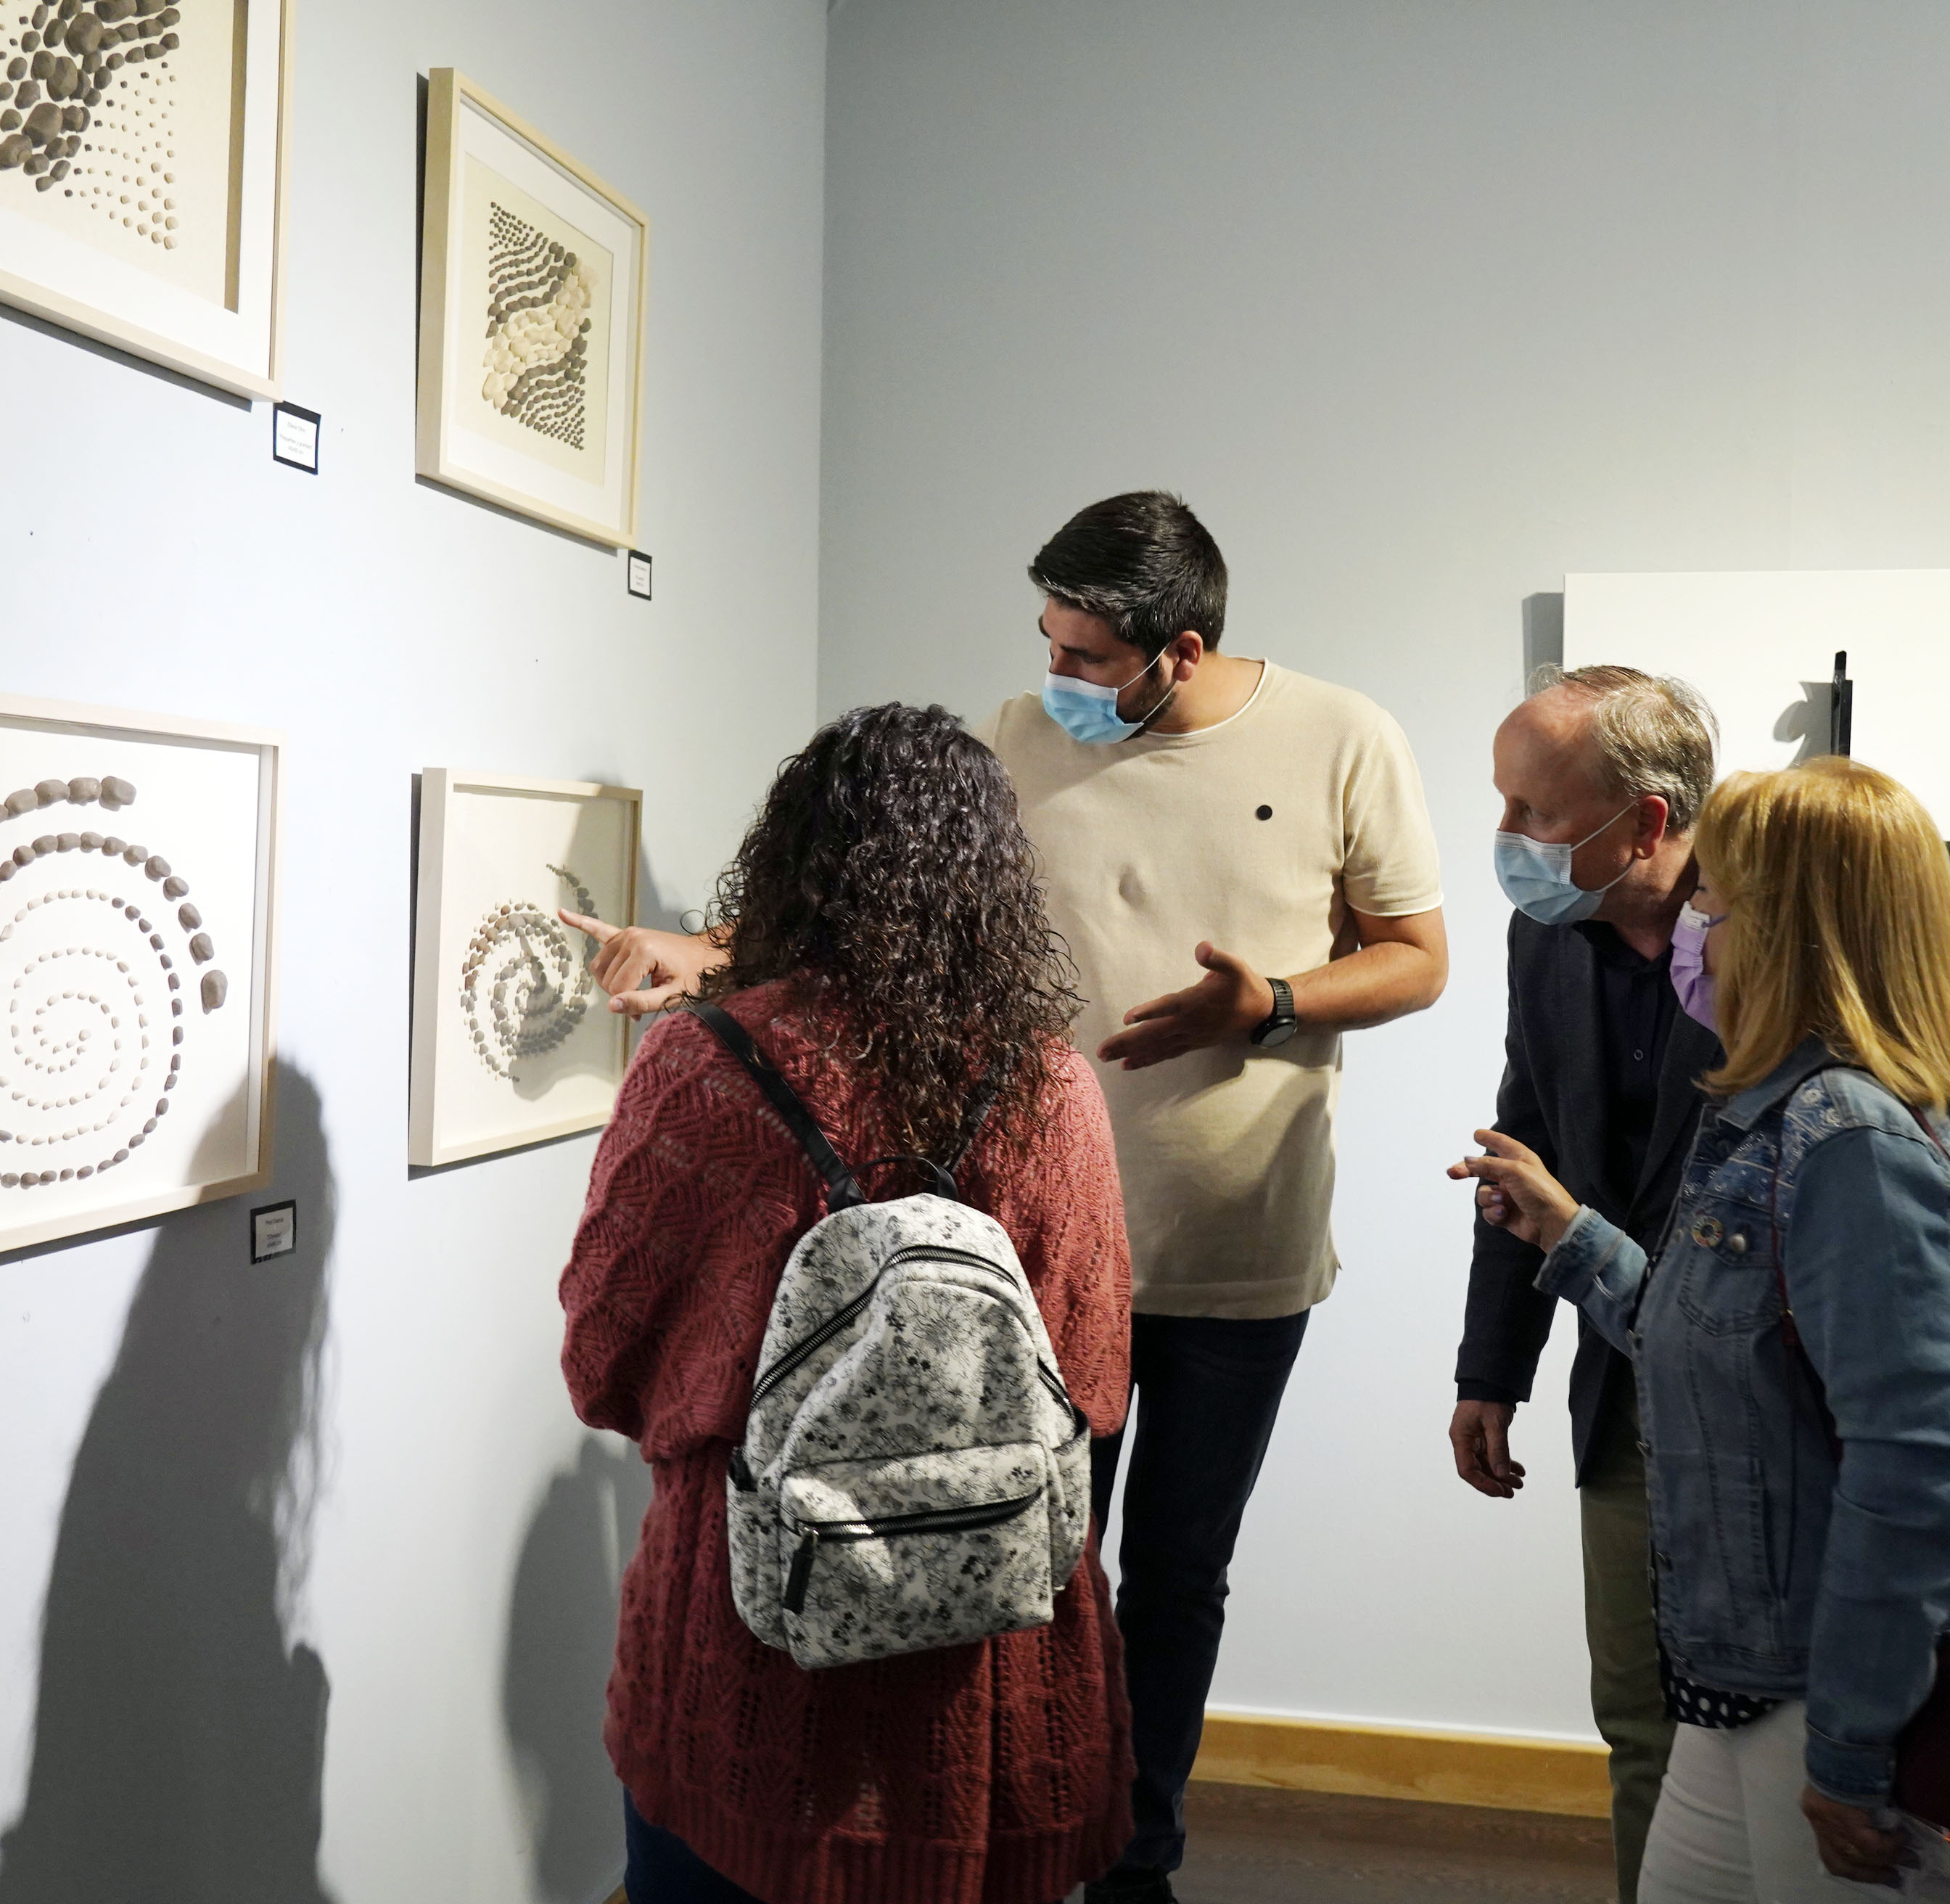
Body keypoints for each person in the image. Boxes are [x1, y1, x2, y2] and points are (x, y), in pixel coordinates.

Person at [572, 492, 1449, 1902]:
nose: (1056, 677)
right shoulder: (1019, 737)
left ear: (1180, 648)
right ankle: (988, 1835)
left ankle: (1138, 1857)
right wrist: (713, 949)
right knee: (1014, 1556)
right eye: (1048, 640)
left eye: (1086, 655)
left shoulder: (1346, 738)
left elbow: (1419, 955)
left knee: (1175, 1576)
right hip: (1025, 1253)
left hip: (1234, 1244)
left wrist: (1271, 1003)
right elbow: (890, 892)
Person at [557, 704, 1137, 1904]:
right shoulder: (1050, 1087)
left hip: (749, 1637)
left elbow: (603, 1361)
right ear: (993, 882)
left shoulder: (699, 1069)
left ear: (790, 864)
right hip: (985, 1655)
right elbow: (1092, 1377)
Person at [1453, 756, 1950, 1903]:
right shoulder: (1780, 1116)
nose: (1695, 936)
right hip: (1748, 1673)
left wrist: (1852, 1745)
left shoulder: (1854, 1143)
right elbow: (1718, 1344)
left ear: (1790, 937)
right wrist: (1572, 1239)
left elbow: (1919, 1469)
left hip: (1843, 1692)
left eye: (1712, 906)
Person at [1448, 665, 1724, 1903]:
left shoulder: (1774, 939)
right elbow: (1522, 1154)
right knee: (1640, 1719)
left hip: (1775, 1402)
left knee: (1786, 1733)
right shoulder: (1545, 938)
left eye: (1536, 812)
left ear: (1646, 821)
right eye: (1503, 803)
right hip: (1622, 1392)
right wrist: (1490, 1371)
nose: (1507, 837)